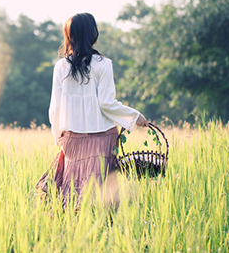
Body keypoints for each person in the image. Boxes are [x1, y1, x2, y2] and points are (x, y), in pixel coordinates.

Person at [36, 13, 148, 207]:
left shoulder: (61, 67)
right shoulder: (104, 64)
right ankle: (102, 232)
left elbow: (55, 108)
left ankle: (75, 231)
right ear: (93, 33)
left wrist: (58, 137)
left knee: (72, 193)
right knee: (101, 192)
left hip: (71, 138)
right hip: (102, 137)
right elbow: (106, 103)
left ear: (69, 35)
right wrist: (134, 115)